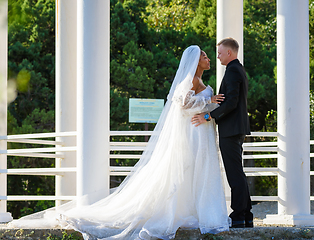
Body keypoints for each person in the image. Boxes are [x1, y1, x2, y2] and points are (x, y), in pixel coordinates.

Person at [9, 45, 230, 239]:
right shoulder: (190, 80)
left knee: (198, 172)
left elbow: (197, 105)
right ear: (194, 60)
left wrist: (209, 108)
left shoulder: (201, 81)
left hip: (202, 133)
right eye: (204, 56)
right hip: (191, 133)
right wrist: (208, 100)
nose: (208, 58)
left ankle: (199, 209)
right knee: (186, 171)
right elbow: (181, 103)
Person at [191, 37, 253, 228]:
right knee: (237, 172)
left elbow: (231, 103)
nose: (217, 56)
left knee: (234, 173)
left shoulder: (233, 70)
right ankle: (246, 214)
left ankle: (238, 214)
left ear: (229, 53)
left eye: (219, 53)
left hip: (231, 129)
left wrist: (208, 117)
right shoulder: (236, 69)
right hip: (234, 128)